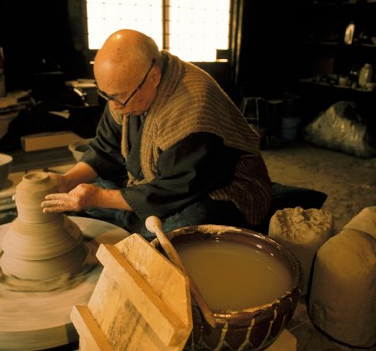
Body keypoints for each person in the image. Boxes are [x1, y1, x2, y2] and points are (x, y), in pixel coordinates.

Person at [41, 29, 272, 239]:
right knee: (80, 191)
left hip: (217, 188)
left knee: (188, 224)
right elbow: (105, 147)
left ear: (153, 77)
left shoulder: (194, 110)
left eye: (119, 97)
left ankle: (128, 216)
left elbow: (176, 188)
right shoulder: (125, 90)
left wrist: (100, 198)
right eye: (107, 96)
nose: (113, 107)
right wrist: (67, 180)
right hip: (157, 183)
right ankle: (130, 215)